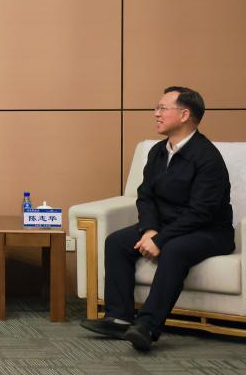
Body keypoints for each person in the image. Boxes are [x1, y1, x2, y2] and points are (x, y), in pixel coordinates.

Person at [81, 86, 234, 351]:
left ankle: (148, 326)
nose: (156, 113)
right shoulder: (157, 152)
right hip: (165, 225)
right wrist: (150, 229)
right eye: (157, 108)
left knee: (174, 250)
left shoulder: (207, 157)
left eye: (163, 108)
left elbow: (201, 212)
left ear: (185, 115)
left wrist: (161, 239)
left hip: (208, 230)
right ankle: (119, 317)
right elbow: (146, 196)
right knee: (116, 242)